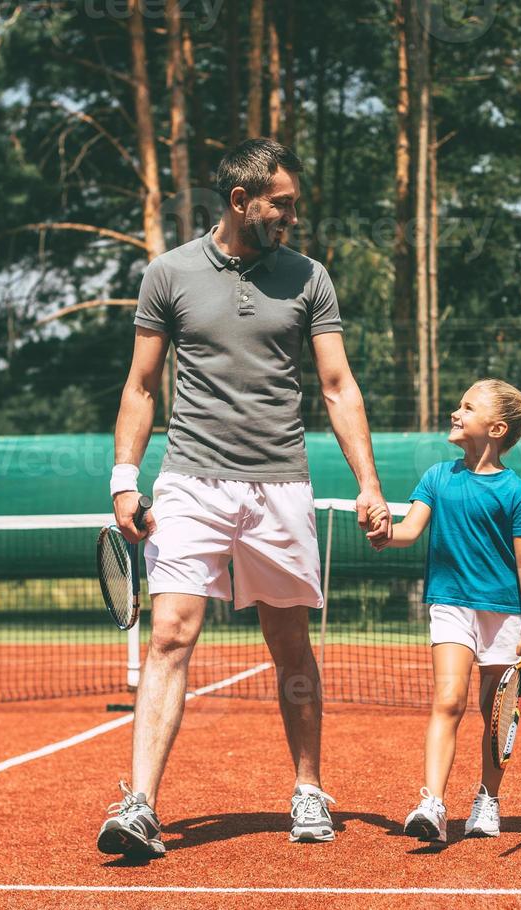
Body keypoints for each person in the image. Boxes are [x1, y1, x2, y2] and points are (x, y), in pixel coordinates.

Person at [98, 139, 391, 858]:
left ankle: (308, 788)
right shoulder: (167, 274)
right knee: (169, 636)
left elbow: (336, 385)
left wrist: (369, 484)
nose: (290, 217)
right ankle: (140, 805)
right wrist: (123, 479)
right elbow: (140, 386)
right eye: (281, 205)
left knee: (288, 644)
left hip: (279, 484)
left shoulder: (308, 278)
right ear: (239, 202)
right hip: (189, 481)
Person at [370, 380, 521, 844]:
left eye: (466, 407)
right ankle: (432, 804)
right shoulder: (437, 477)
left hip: (504, 615)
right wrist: (384, 532)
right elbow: (409, 530)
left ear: (496, 428)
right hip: (451, 606)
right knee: (448, 701)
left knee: (495, 714)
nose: (455, 412)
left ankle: (487, 800)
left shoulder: (514, 493)